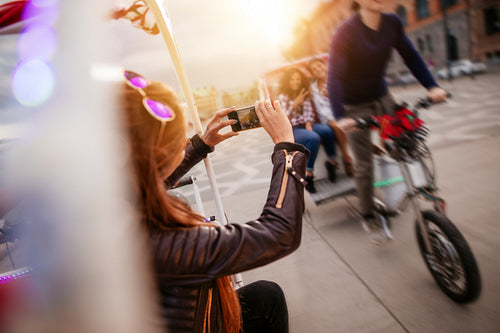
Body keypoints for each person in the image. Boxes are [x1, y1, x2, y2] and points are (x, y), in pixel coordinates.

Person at [120, 70, 308, 333]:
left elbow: (149, 180)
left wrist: (201, 144)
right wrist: (286, 147)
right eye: (179, 138)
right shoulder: (167, 243)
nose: (181, 143)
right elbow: (279, 233)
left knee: (265, 296)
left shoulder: (117, 203)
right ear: (163, 152)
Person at [327, 0, 448, 241]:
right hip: (355, 105)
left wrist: (432, 86)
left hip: (382, 97)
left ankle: (426, 191)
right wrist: (340, 117)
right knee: (364, 165)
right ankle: (369, 216)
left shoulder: (392, 22)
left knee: (410, 142)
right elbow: (335, 77)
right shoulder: (346, 31)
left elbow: (411, 56)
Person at [278, 66, 338, 193]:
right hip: (292, 129)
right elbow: (284, 119)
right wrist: (295, 104)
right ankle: (308, 175)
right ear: (287, 81)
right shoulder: (283, 97)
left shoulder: (303, 92)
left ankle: (332, 163)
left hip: (305, 125)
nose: (295, 82)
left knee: (327, 130)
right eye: (292, 79)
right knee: (314, 138)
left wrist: (309, 123)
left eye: (298, 79)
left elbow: (309, 111)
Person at [307, 56, 354, 177]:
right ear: (312, 73)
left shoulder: (336, 80)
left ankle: (347, 157)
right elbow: (319, 109)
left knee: (341, 123)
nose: (318, 69)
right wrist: (330, 119)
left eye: (319, 66)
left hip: (342, 112)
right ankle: (347, 158)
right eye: (314, 69)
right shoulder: (313, 88)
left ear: (325, 65)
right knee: (336, 125)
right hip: (326, 118)